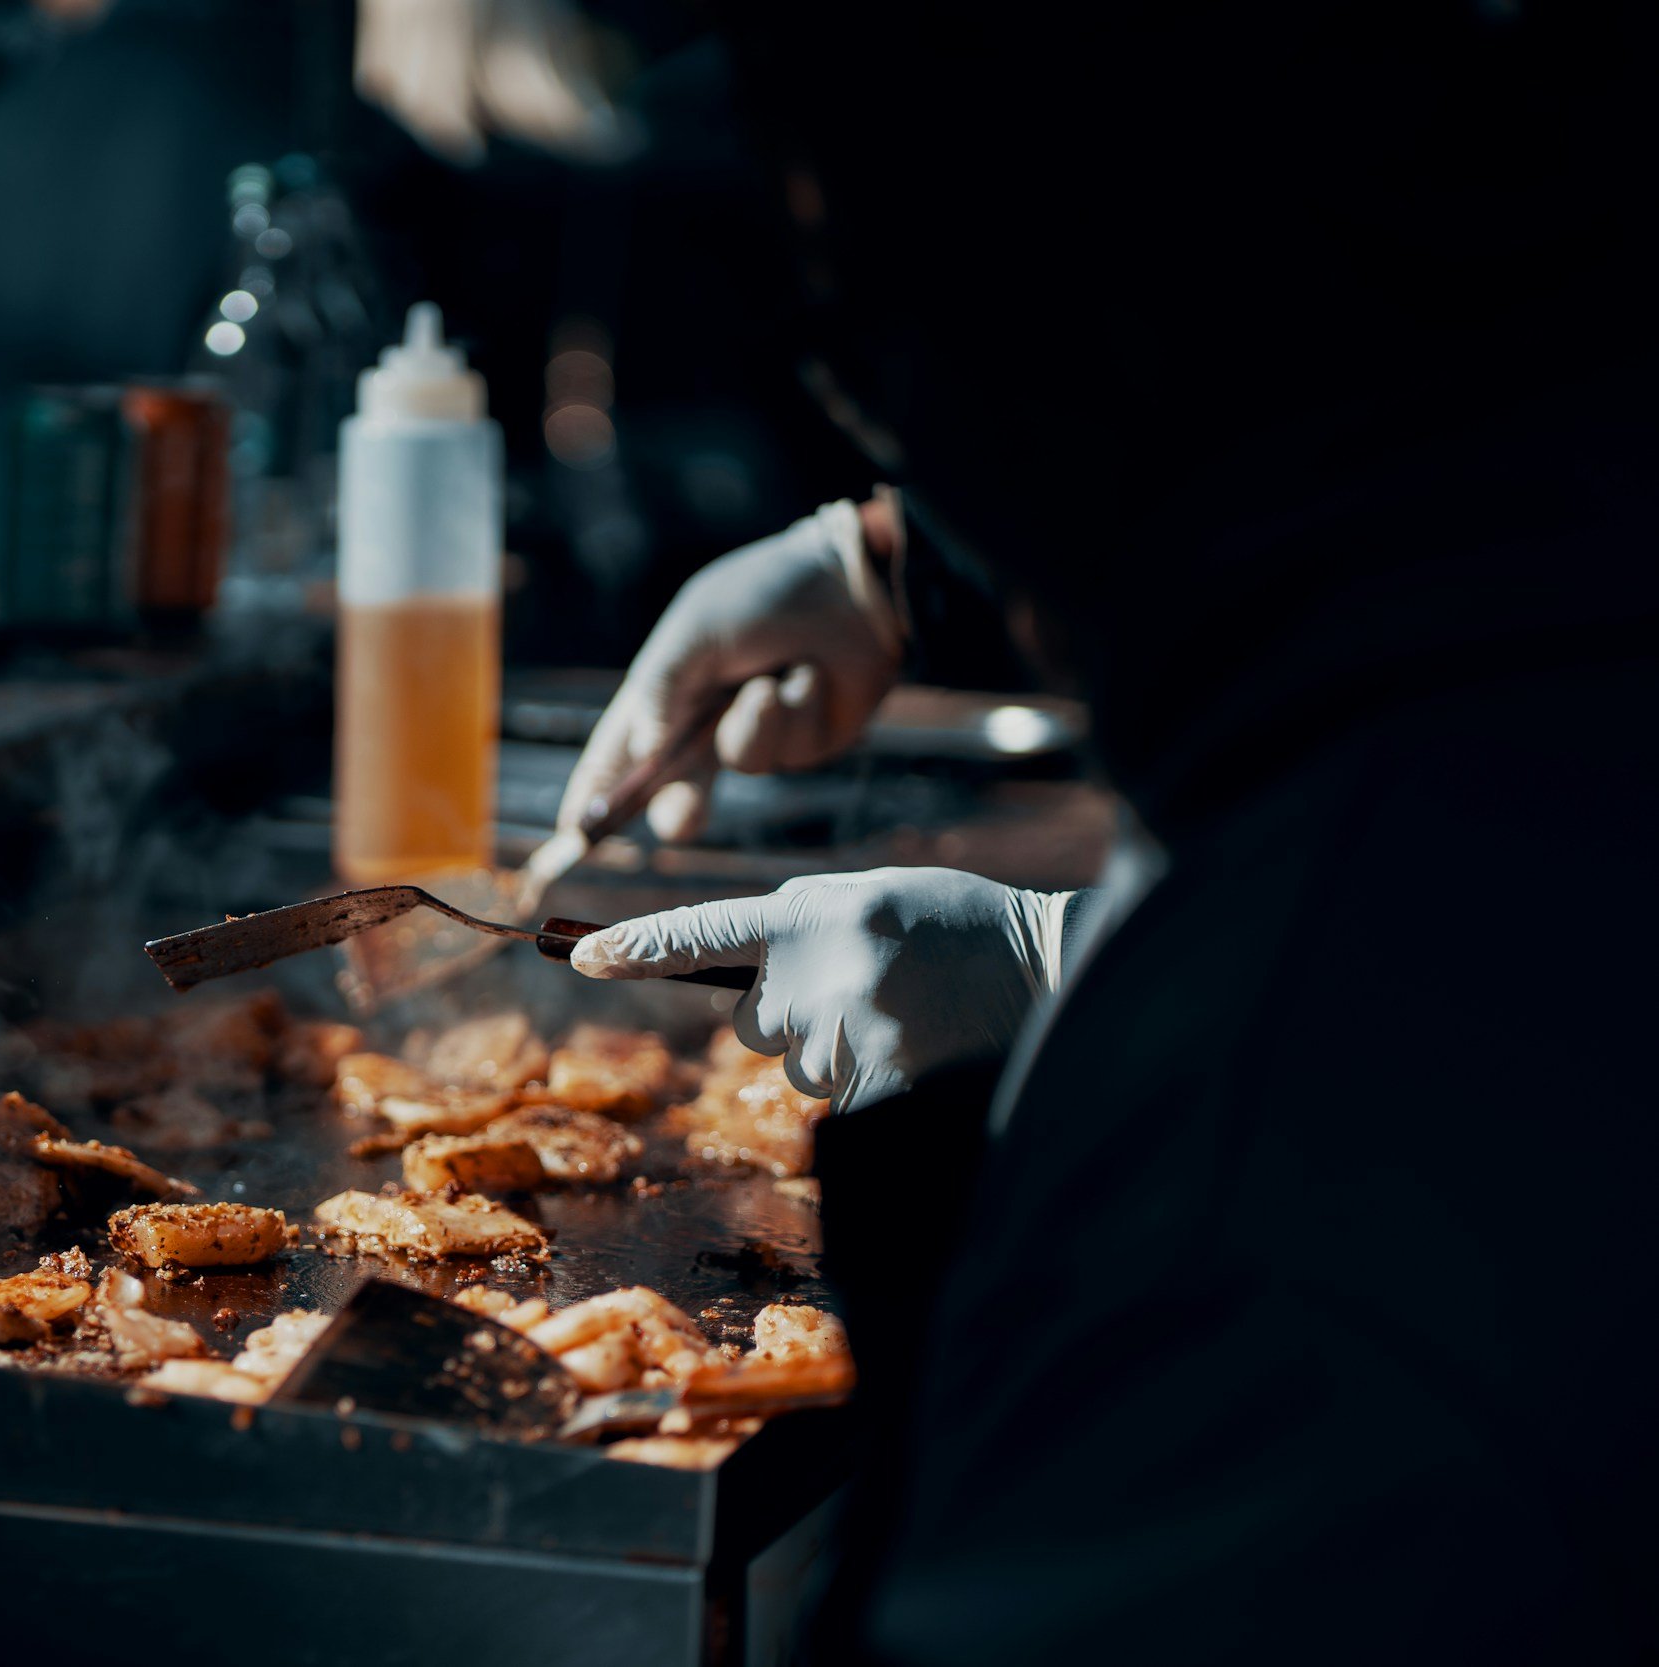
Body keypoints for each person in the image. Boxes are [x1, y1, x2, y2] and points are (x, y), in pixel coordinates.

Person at [554, 2, 1659, 1659]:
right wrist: (913, 565)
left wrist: (1082, 989)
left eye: (865, 339)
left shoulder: (1253, 1246)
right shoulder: (1551, 601)